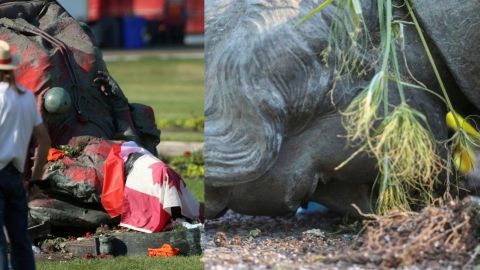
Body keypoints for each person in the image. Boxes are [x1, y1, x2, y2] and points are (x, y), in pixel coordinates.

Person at [0, 40, 50, 270]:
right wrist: (36, 179)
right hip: (16, 176)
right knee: (20, 239)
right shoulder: (26, 97)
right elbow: (44, 139)